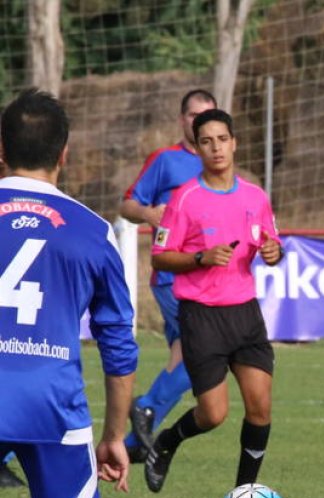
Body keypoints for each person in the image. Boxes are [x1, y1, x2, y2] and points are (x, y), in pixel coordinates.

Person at [0, 89, 137, 498]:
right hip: (52, 403)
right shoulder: (92, 230)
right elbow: (118, 345)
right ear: (65, 154)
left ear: (0, 150)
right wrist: (113, 434)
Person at [144, 108, 283, 493]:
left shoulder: (256, 197)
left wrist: (274, 253)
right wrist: (199, 258)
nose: (216, 147)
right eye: (207, 141)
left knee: (260, 408)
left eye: (222, 139)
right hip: (201, 316)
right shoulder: (185, 199)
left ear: (234, 143)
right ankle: (167, 441)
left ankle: (244, 496)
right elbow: (160, 257)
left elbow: (272, 244)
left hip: (245, 314)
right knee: (214, 414)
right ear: (198, 148)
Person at [118, 89, 217, 462]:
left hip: (207, 281)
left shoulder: (219, 166)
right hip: (172, 278)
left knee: (188, 359)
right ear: (182, 120)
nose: (200, 121)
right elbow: (128, 204)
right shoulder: (166, 161)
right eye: (194, 115)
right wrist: (149, 214)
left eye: (208, 115)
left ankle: (131, 446)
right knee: (201, 353)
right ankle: (145, 407)